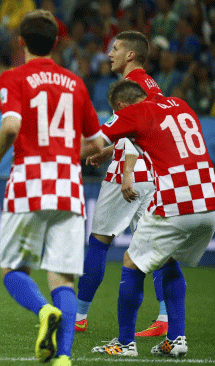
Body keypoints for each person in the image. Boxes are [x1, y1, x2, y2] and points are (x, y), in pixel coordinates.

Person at [0, 10, 103, 365]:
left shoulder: (13, 76)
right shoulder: (76, 82)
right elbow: (97, 145)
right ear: (56, 43)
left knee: (13, 270)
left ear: (20, 42)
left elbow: (10, 126)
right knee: (63, 277)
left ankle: (42, 311)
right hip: (69, 183)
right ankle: (64, 357)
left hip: (30, 181)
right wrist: (64, 152)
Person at [91, 79, 215, 357]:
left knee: (131, 262)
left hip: (175, 201)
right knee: (168, 260)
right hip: (208, 198)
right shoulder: (179, 105)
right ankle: (176, 339)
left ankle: (124, 343)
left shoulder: (132, 113)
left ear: (120, 106)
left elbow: (92, 142)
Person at [75, 30, 171, 338]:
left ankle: (78, 315)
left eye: (115, 48)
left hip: (129, 174)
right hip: (154, 173)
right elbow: (142, 131)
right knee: (158, 246)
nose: (110, 53)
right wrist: (107, 150)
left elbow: (136, 124)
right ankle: (166, 318)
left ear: (131, 55)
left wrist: (126, 168)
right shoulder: (152, 85)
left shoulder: (135, 87)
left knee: (99, 241)